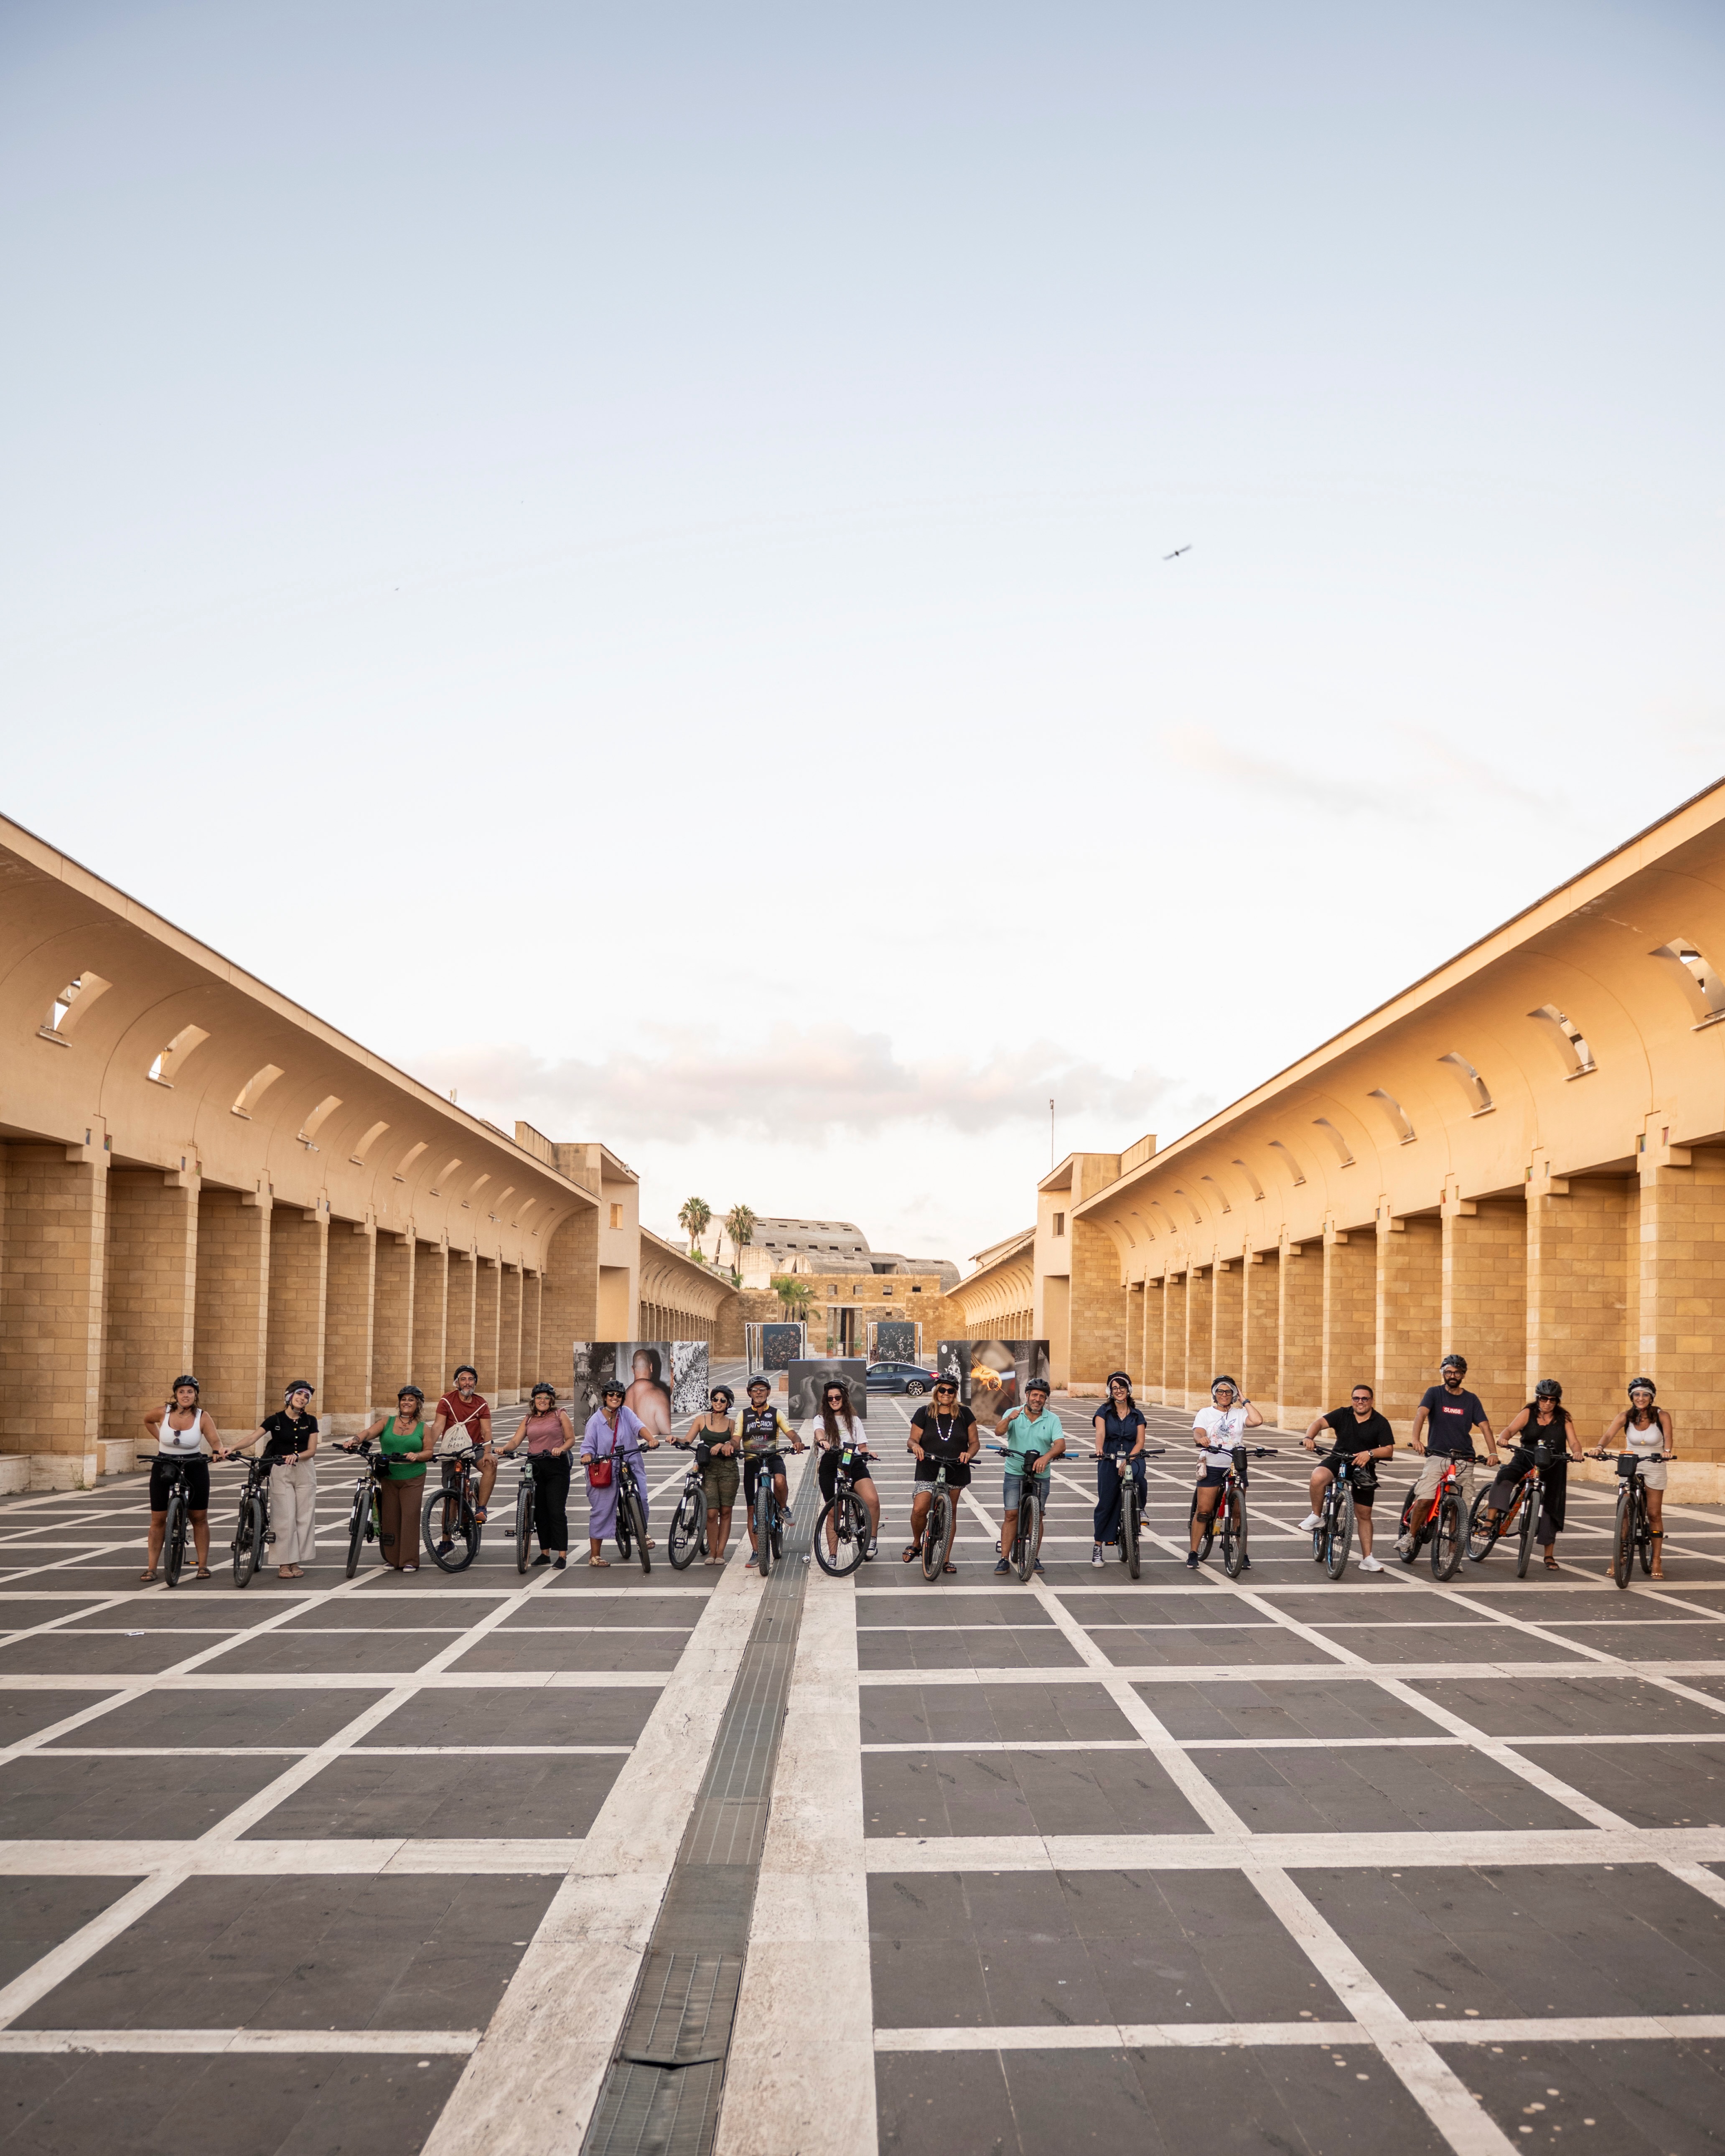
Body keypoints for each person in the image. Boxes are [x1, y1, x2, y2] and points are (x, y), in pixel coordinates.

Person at [1400, 1355, 1497, 1557]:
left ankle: (1453, 1556)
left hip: (1464, 1460)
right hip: (1438, 1456)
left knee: (1458, 1509)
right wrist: (1416, 1439)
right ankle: (1410, 1536)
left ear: (1463, 1375)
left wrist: (1493, 1452)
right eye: (1449, 1372)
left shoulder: (1471, 1399)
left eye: (1457, 1372)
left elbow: (1485, 1426)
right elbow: (1421, 1414)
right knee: (1425, 1499)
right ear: (1443, 1373)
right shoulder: (1434, 1393)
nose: (1453, 1376)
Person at [1483, 1378, 1580, 1571]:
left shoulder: (1564, 1419)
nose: (1548, 1403)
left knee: (1553, 1504)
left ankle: (1549, 1555)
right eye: (1544, 1399)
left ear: (1557, 1401)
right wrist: (1504, 1438)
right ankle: (1490, 1520)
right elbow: (1510, 1430)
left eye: (1553, 1400)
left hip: (1553, 1463)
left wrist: (1577, 1452)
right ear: (1538, 1398)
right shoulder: (1528, 1413)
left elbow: (1574, 1441)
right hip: (1526, 1457)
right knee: (1505, 1477)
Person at [1298, 1383, 1394, 1571]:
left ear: (1372, 1401)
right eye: (1356, 1398)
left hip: (1363, 1467)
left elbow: (1389, 1449)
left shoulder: (1380, 1421)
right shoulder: (1343, 1414)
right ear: (1352, 1400)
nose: (1360, 1402)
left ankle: (1367, 1558)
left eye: (1365, 1399)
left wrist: (1371, 1453)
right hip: (1338, 1459)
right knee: (1318, 1477)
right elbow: (1318, 1423)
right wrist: (1309, 1437)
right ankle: (1317, 1516)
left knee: (1364, 1514)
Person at [140, 1375, 227, 1581]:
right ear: (176, 1394)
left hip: (194, 1466)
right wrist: (162, 1439)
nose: (186, 1395)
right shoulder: (164, 1412)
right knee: (158, 1519)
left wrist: (217, 1452)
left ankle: (203, 1566)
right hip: (165, 1465)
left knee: (199, 1518)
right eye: (182, 1392)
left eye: (190, 1392)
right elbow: (147, 1420)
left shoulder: (202, 1417)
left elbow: (215, 1441)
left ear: (195, 1395)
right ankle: (152, 1568)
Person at [1592, 1377, 1677, 1579]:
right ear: (1632, 1397)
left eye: (1645, 1394)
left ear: (1652, 1397)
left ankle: (1656, 1560)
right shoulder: (1625, 1417)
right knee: (1624, 1515)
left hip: (1654, 1463)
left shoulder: (1662, 1416)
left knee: (1654, 1514)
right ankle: (1618, 1557)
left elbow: (1669, 1438)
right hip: (1630, 1463)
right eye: (1637, 1394)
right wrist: (1599, 1448)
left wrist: (1666, 1451)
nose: (1641, 1398)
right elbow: (1608, 1435)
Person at [343, 1386, 434, 1571]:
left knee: (410, 1516)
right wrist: (355, 1440)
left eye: (411, 1400)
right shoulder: (387, 1421)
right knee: (390, 1517)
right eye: (404, 1399)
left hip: (413, 1476)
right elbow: (369, 1432)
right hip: (389, 1475)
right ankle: (393, 1559)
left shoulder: (423, 1428)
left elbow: (429, 1452)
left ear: (418, 1404)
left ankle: (410, 1560)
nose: (406, 1402)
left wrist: (417, 1456)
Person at [1188, 1375, 1263, 1572]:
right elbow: (1197, 1432)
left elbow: (1257, 1420)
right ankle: (1194, 1552)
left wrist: (1244, 1400)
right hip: (1213, 1463)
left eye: (1229, 1392)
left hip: (1236, 1464)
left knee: (1238, 1513)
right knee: (1204, 1510)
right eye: (1220, 1392)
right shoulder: (1205, 1413)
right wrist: (1202, 1439)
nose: (1224, 1395)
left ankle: (1242, 1552)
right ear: (1214, 1394)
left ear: (1234, 1395)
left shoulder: (1239, 1414)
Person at [905, 1376, 980, 1571]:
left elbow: (975, 1443)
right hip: (928, 1466)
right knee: (920, 1509)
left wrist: (968, 1454)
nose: (946, 1394)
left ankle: (945, 1559)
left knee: (950, 1513)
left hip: (956, 1467)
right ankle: (917, 1542)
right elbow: (912, 1440)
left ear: (956, 1394)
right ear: (936, 1391)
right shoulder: (925, 1412)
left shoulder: (965, 1413)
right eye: (942, 1390)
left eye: (951, 1391)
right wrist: (916, 1448)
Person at [581, 1379, 659, 1566]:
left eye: (619, 1395)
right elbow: (588, 1446)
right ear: (604, 1398)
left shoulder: (626, 1413)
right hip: (605, 1466)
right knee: (602, 1508)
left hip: (630, 1460)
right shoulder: (595, 1421)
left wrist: (651, 1440)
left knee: (642, 1497)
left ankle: (643, 1531)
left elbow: (639, 1427)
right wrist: (587, 1456)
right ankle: (595, 1555)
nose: (615, 1398)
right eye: (611, 1395)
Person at [247, 1380, 320, 1579]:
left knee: (304, 1517)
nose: (302, 1399)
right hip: (281, 1470)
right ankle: (283, 1563)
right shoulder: (276, 1419)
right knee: (283, 1517)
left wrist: (298, 1456)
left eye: (306, 1397)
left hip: (304, 1469)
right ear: (289, 1396)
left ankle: (295, 1561)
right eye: (299, 1394)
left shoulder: (311, 1421)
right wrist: (231, 1449)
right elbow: (253, 1437)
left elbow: (312, 1451)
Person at [993, 1377, 1065, 1576]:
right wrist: (1009, 1420)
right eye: (1034, 1395)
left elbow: (1060, 1445)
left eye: (1042, 1397)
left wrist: (1047, 1457)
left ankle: (1033, 1556)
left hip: (1041, 1474)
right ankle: (1004, 1559)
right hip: (1015, 1471)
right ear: (1027, 1396)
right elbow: (998, 1431)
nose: (1038, 1399)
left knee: (1038, 1515)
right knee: (1011, 1515)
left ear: (1045, 1400)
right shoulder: (1013, 1413)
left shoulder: (1052, 1419)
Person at [501, 1382, 577, 1567]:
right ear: (533, 1400)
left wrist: (561, 1449)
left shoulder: (560, 1415)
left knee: (556, 1510)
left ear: (552, 1401)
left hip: (557, 1465)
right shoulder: (528, 1419)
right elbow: (515, 1440)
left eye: (546, 1398)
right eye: (539, 1397)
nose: (542, 1401)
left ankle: (562, 1555)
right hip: (535, 1465)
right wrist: (505, 1449)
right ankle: (545, 1553)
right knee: (540, 1511)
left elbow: (571, 1439)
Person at [804, 1376, 879, 1563]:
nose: (835, 1401)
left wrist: (869, 1453)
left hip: (852, 1459)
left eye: (838, 1397)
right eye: (830, 1398)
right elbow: (819, 1432)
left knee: (872, 1500)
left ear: (845, 1398)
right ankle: (832, 1554)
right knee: (834, 1510)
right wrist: (822, 1441)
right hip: (830, 1462)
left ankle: (872, 1540)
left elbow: (862, 1446)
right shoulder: (820, 1419)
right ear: (826, 1401)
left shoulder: (854, 1420)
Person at [736, 1375, 803, 1571]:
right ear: (750, 1393)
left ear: (768, 1392)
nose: (759, 1392)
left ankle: (783, 1508)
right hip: (751, 1460)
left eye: (763, 1389)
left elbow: (791, 1432)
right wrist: (731, 1446)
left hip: (772, 1457)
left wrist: (797, 1441)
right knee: (751, 1510)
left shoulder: (776, 1414)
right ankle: (757, 1551)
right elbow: (736, 1437)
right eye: (755, 1389)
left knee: (780, 1481)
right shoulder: (743, 1415)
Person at [1092, 1371, 1147, 1569]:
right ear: (1110, 1391)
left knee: (1139, 1477)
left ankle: (1140, 1509)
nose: (1118, 1391)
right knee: (1106, 1502)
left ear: (1128, 1389)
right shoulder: (1104, 1412)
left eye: (1122, 1387)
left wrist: (1130, 1458)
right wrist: (1099, 1449)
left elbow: (1140, 1441)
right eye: (1114, 1388)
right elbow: (1100, 1432)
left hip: (1133, 1454)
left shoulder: (1137, 1414)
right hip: (1110, 1456)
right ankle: (1098, 1546)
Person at [432, 1367, 494, 1532]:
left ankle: (481, 1508)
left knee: (491, 1466)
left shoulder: (481, 1403)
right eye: (463, 1379)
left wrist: (488, 1452)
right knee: (451, 1496)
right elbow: (438, 1426)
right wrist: (428, 1449)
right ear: (457, 1383)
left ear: (475, 1382)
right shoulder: (447, 1400)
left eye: (471, 1379)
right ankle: (446, 1541)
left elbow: (486, 1431)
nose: (467, 1382)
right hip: (452, 1449)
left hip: (475, 1447)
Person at [690, 1385, 741, 1566]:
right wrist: (674, 1439)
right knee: (711, 1513)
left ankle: (720, 1553)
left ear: (728, 1404)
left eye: (722, 1400)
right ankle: (712, 1552)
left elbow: (737, 1444)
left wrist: (724, 1444)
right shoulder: (701, 1420)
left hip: (728, 1469)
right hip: (708, 1469)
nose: (718, 1403)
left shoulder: (732, 1423)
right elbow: (688, 1440)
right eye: (715, 1399)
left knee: (726, 1511)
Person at [623, 1348, 673, 1439]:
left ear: (633, 1369)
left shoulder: (622, 1399)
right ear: (651, 1367)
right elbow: (670, 1440)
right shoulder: (658, 1396)